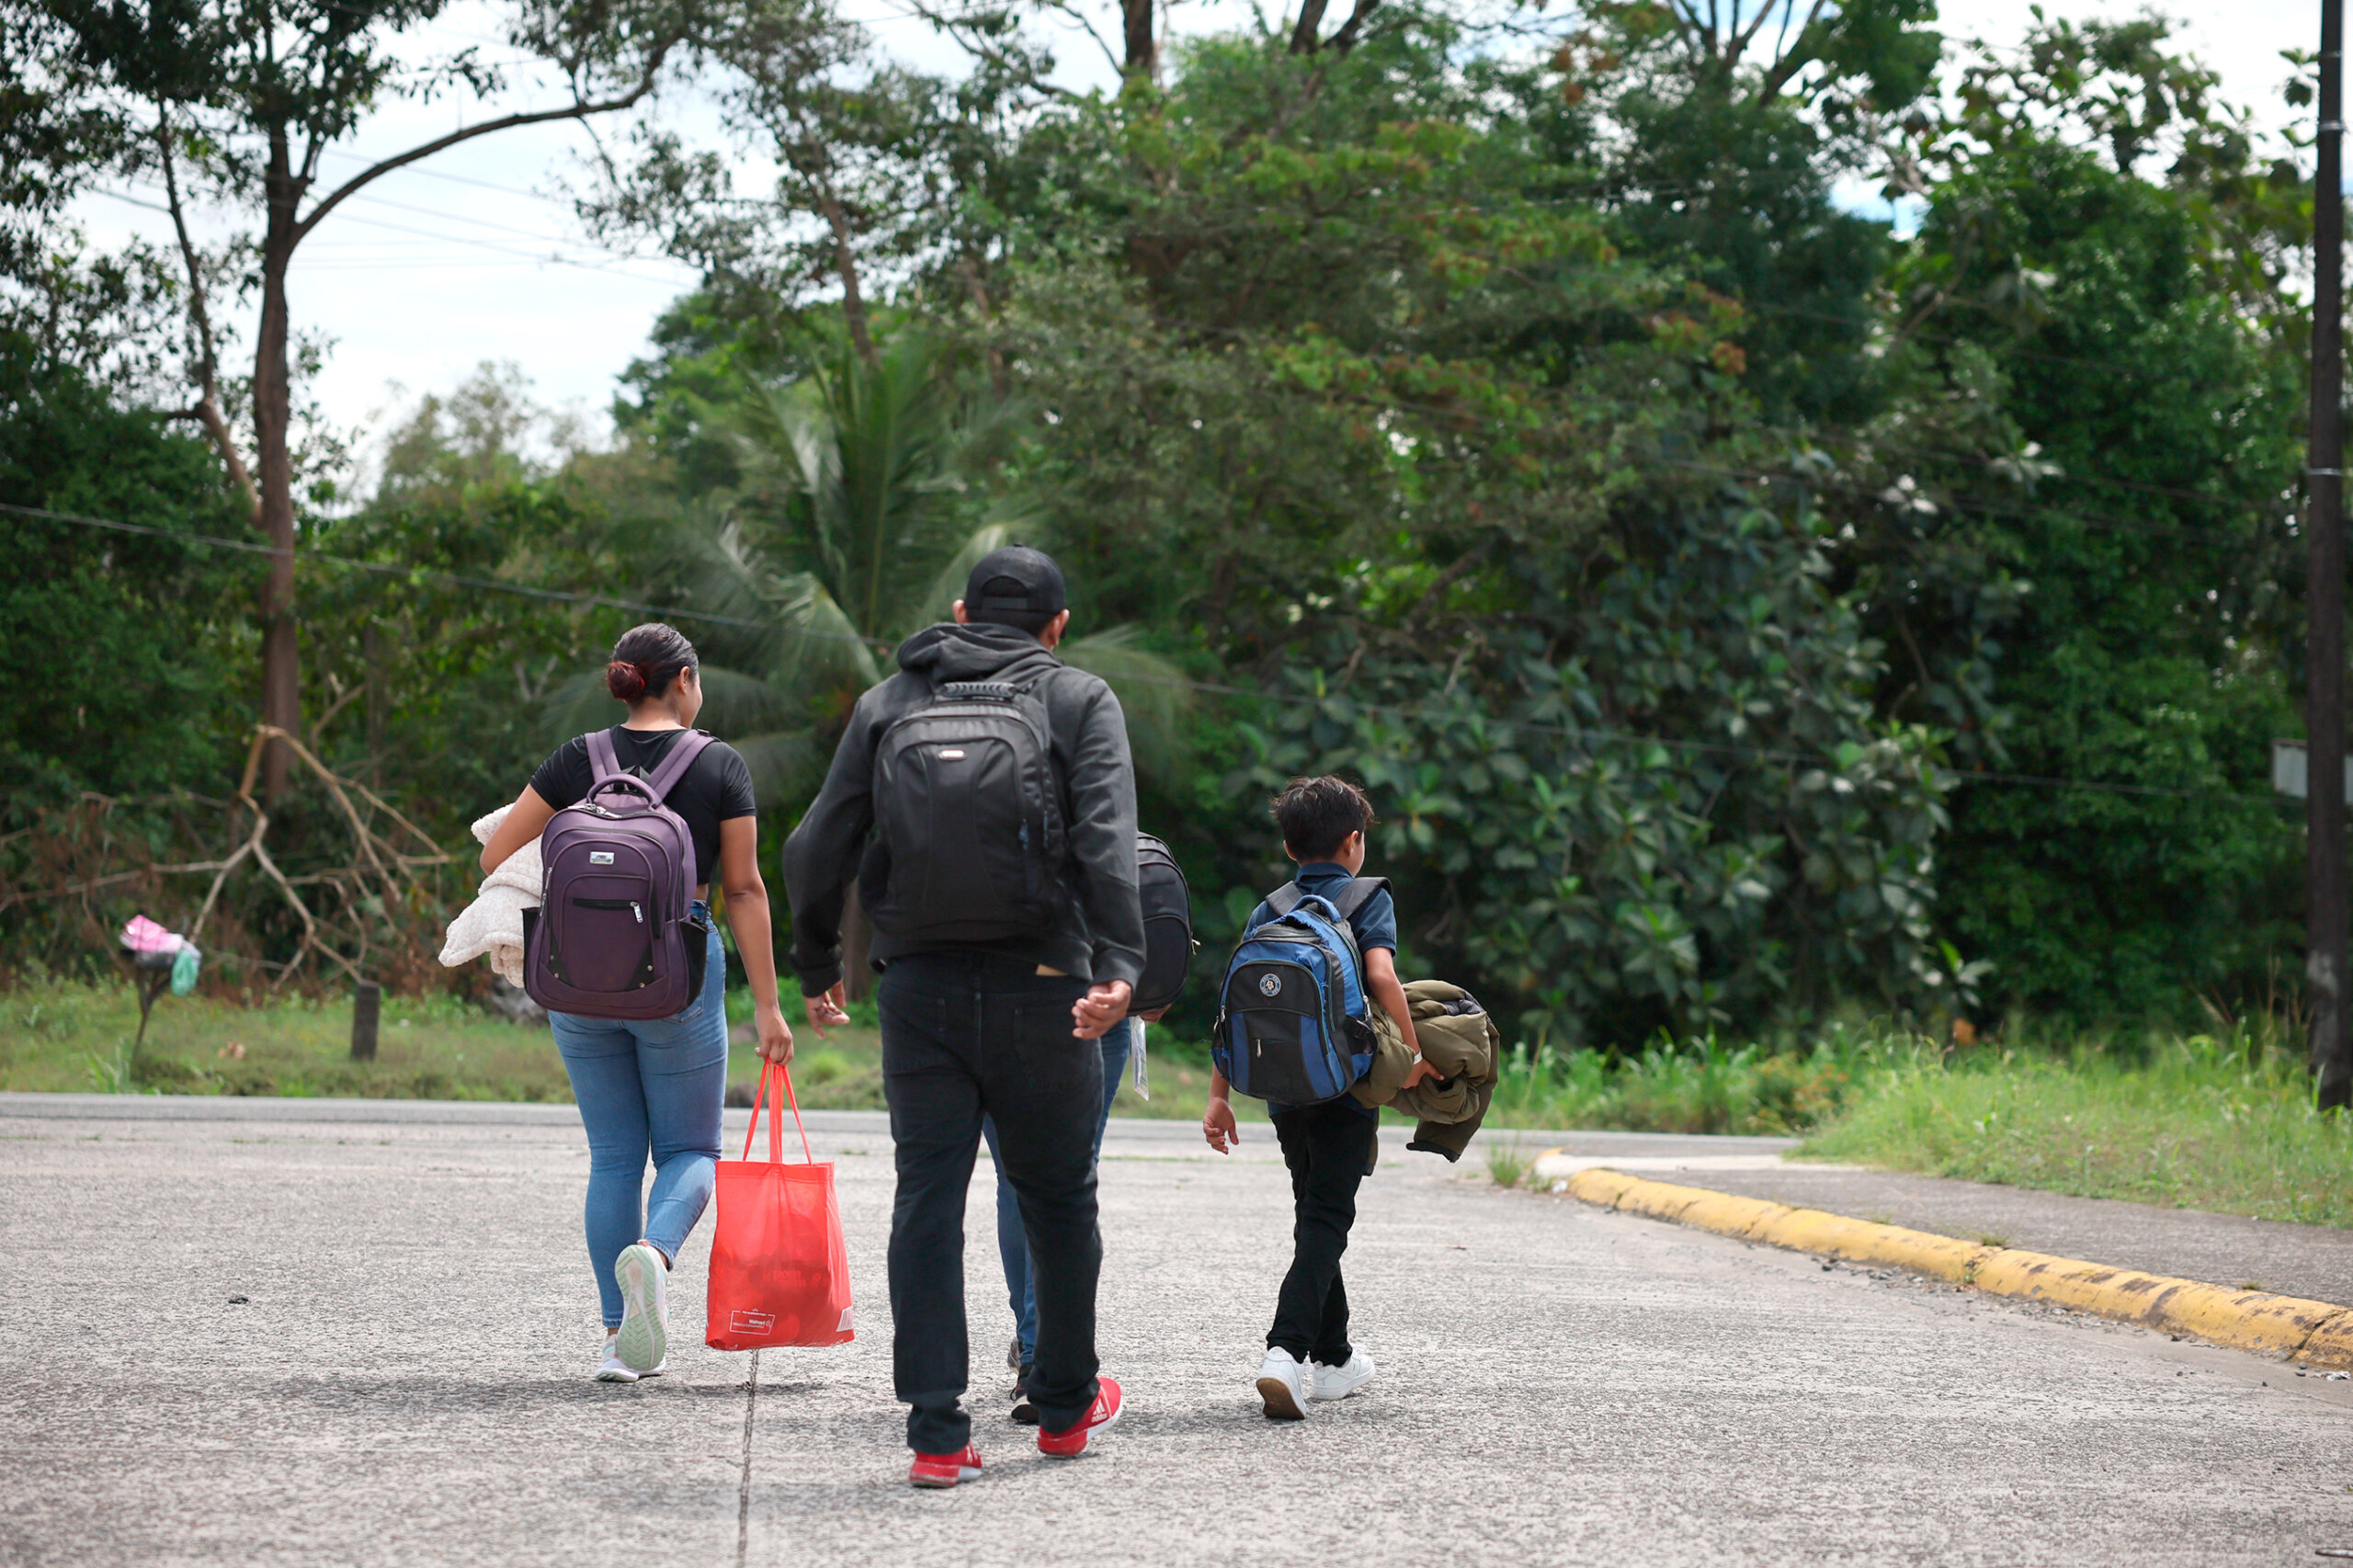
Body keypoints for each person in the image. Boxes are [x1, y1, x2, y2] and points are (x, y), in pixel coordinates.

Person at [784, 544, 1142, 1489]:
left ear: (959, 613)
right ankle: (1062, 1411)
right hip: (1047, 984)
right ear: (1057, 626)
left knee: (927, 1201)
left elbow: (818, 841)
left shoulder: (889, 701)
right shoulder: (1080, 699)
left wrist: (816, 963)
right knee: (1059, 1198)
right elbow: (1107, 838)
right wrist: (1119, 963)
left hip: (920, 989)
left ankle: (938, 1434)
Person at [478, 623, 795, 1382]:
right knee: (691, 1151)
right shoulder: (719, 765)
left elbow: (494, 856)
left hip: (576, 979)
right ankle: (653, 1253)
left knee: (615, 1157)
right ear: (683, 680)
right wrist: (769, 1007)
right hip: (676, 974)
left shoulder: (575, 759)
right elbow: (745, 890)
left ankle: (619, 1337)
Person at [1201, 775, 1435, 1419]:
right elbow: (1382, 975)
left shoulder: (1270, 908)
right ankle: (1285, 1352)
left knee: (1316, 1217)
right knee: (1326, 1222)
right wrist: (1412, 1055)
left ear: (1288, 846)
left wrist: (1220, 1096)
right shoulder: (1369, 898)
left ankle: (1335, 1358)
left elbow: (1233, 1007)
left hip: (1284, 1093)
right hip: (1347, 1089)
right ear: (1354, 841)